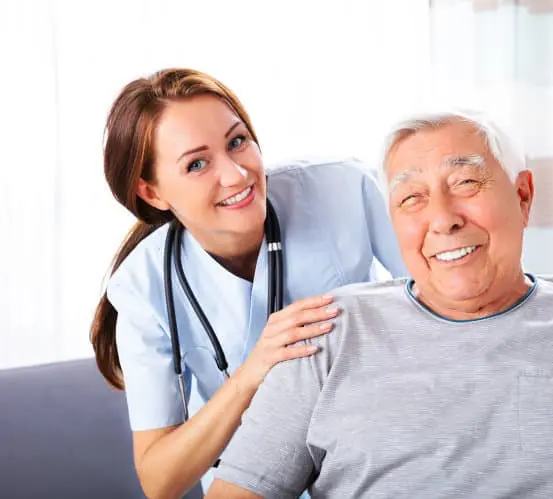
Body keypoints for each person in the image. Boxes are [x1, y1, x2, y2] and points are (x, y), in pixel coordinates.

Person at [207, 110, 553, 498]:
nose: (442, 219)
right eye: (411, 198)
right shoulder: (328, 333)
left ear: (523, 197)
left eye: (465, 184)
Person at [89, 68, 407, 498]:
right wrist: (250, 375)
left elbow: (442, 297)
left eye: (237, 141)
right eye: (196, 164)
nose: (237, 175)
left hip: (379, 460)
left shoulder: (342, 188)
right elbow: (159, 480)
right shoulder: (143, 288)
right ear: (152, 193)